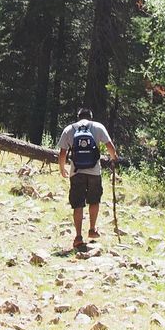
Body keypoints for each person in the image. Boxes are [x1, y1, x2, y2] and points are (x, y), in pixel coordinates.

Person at [57, 107, 118, 252]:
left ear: (78, 117)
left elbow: (62, 152)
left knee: (78, 203)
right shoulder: (98, 127)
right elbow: (110, 146)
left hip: (76, 171)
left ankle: (78, 237)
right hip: (94, 171)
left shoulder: (69, 129)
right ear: (90, 116)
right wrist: (114, 158)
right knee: (94, 200)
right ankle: (92, 229)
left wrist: (62, 168)